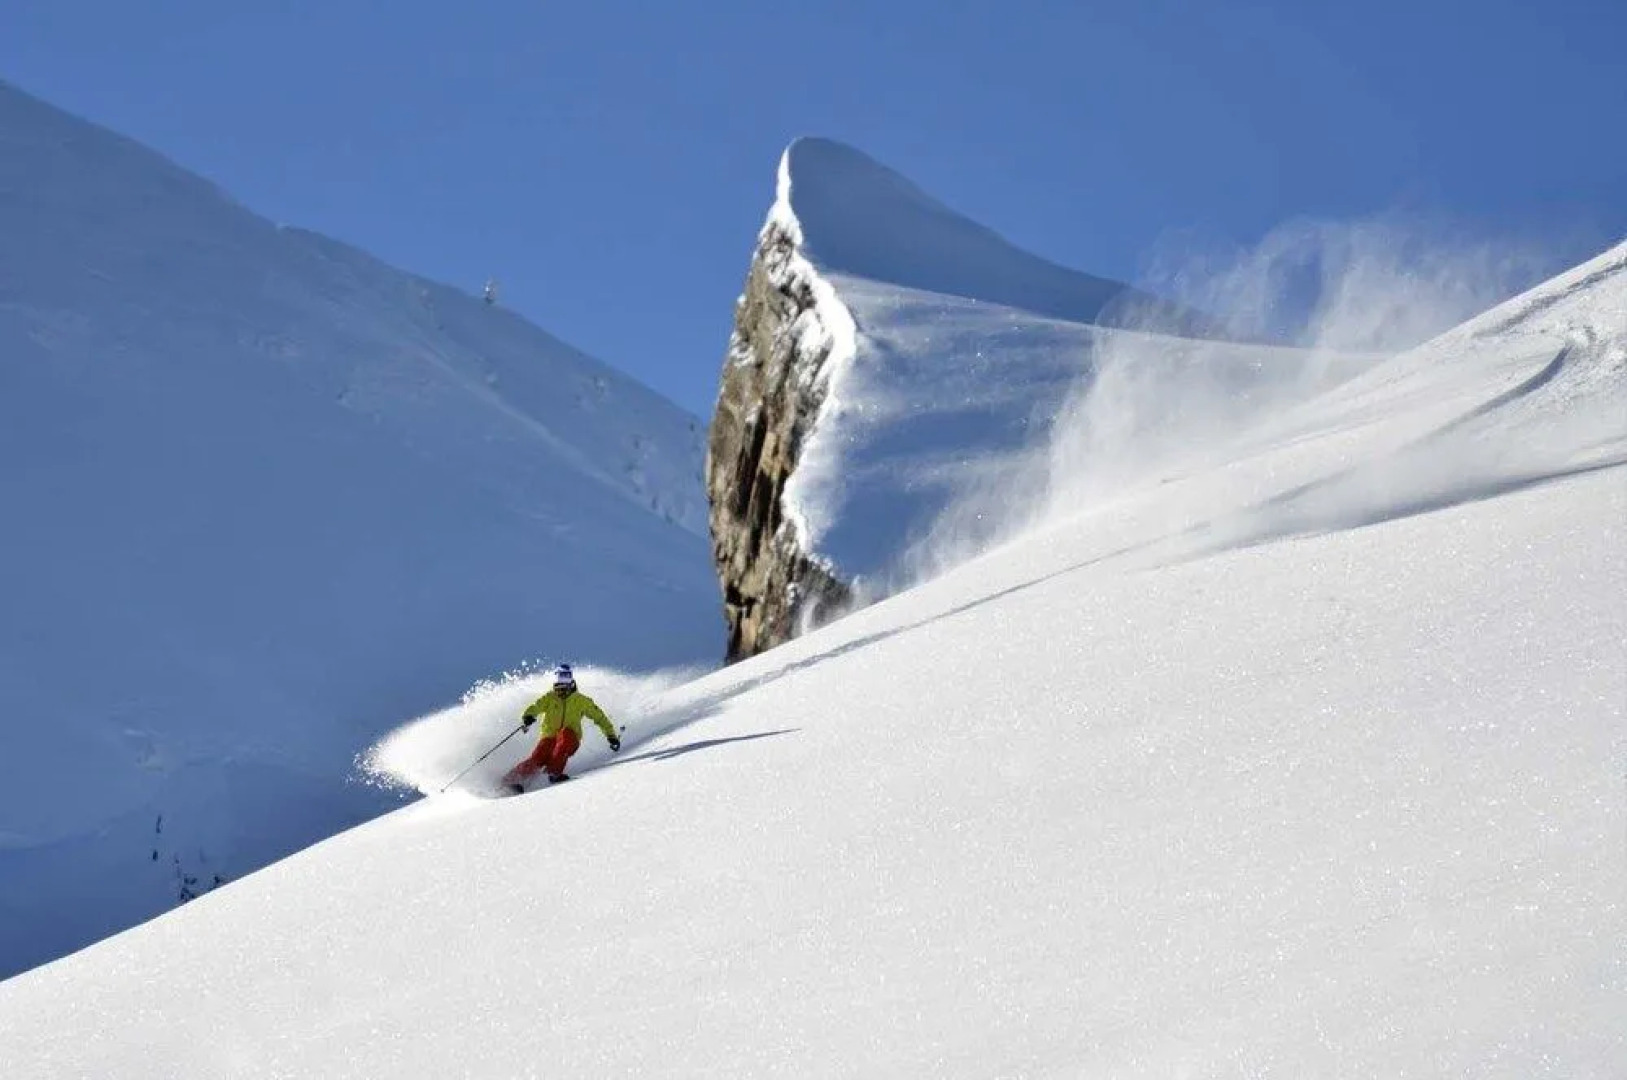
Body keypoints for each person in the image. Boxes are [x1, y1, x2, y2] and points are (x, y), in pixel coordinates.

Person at [502, 664, 620, 792]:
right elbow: (536, 706)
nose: (561, 692)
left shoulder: (581, 701)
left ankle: (552, 773)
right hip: (549, 738)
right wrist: (528, 716)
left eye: (564, 688)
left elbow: (599, 717)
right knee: (538, 757)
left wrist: (611, 735)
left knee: (565, 735)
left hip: (571, 738)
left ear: (571, 684)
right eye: (558, 688)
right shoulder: (550, 698)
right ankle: (508, 781)